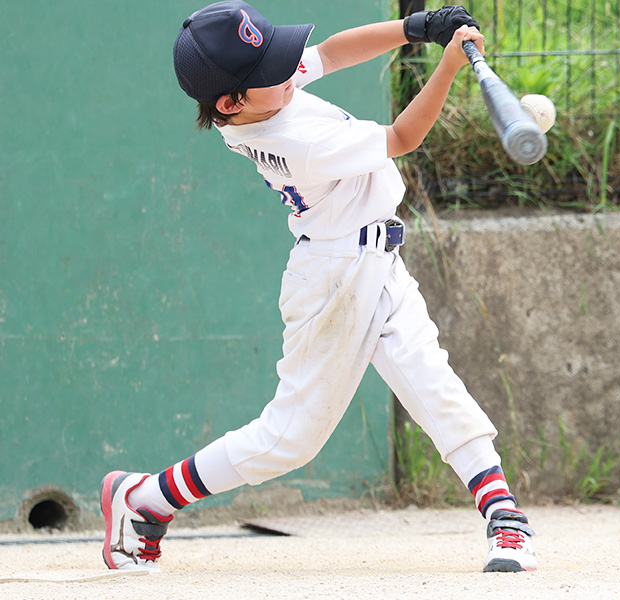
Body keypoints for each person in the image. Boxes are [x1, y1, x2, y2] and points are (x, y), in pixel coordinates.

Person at [100, 1, 536, 574]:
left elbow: (331, 52)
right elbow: (403, 136)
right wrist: (449, 66)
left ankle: (504, 515)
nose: (287, 70)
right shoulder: (293, 140)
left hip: (378, 257)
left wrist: (417, 28)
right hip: (334, 277)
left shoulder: (261, 95)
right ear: (231, 102)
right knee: (290, 439)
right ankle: (146, 498)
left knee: (433, 381)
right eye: (270, 71)